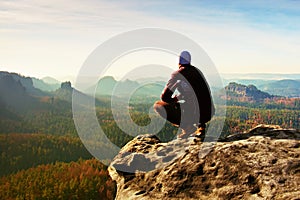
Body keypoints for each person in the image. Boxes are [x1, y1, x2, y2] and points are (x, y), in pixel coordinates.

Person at [153, 51, 215, 139]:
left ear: (179, 63)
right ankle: (201, 126)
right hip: (208, 113)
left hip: (192, 112)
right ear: (189, 62)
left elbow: (165, 97)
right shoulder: (198, 72)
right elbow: (204, 93)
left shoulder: (177, 74)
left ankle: (187, 128)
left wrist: (175, 99)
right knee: (196, 103)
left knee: (158, 105)